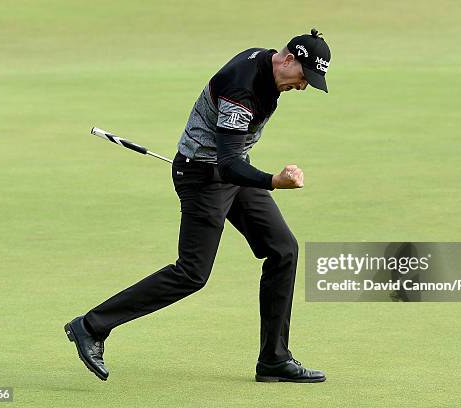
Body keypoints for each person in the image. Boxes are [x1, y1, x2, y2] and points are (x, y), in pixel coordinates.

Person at [65, 28, 331, 383]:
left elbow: (233, 161)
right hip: (203, 177)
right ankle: (90, 326)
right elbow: (228, 164)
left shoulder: (266, 63)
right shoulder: (242, 87)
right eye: (303, 77)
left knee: (283, 249)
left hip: (228, 171)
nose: (302, 87)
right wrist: (274, 181)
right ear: (287, 59)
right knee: (192, 272)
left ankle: (274, 359)